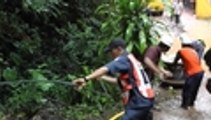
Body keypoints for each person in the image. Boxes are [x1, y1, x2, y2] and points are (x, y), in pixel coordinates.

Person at [72, 38, 154, 120]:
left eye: (112, 51)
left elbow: (105, 68)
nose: (111, 54)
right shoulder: (131, 59)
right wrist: (102, 77)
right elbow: (118, 81)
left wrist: (85, 79)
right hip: (146, 99)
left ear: (119, 49)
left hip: (140, 102)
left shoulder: (123, 59)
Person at [173, 33, 204, 109]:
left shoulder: (180, 51)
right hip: (201, 72)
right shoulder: (194, 51)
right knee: (194, 89)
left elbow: (175, 62)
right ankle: (191, 104)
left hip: (193, 73)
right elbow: (193, 62)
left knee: (187, 89)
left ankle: (184, 106)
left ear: (182, 44)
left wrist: (174, 68)